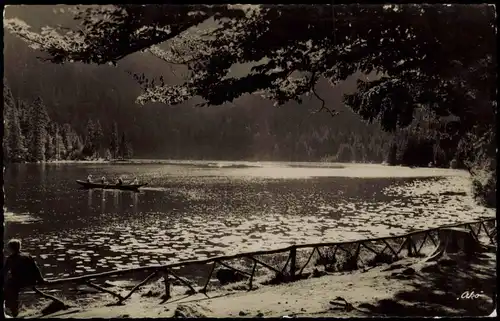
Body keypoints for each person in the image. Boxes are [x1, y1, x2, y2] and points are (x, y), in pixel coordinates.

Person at [3, 239, 46, 318]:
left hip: (19, 282)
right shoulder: (27, 255)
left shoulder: (10, 258)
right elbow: (35, 268)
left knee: (9, 286)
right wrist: (41, 279)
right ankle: (12, 308)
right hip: (30, 280)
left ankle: (13, 310)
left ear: (11, 248)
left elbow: (4, 272)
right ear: (19, 247)